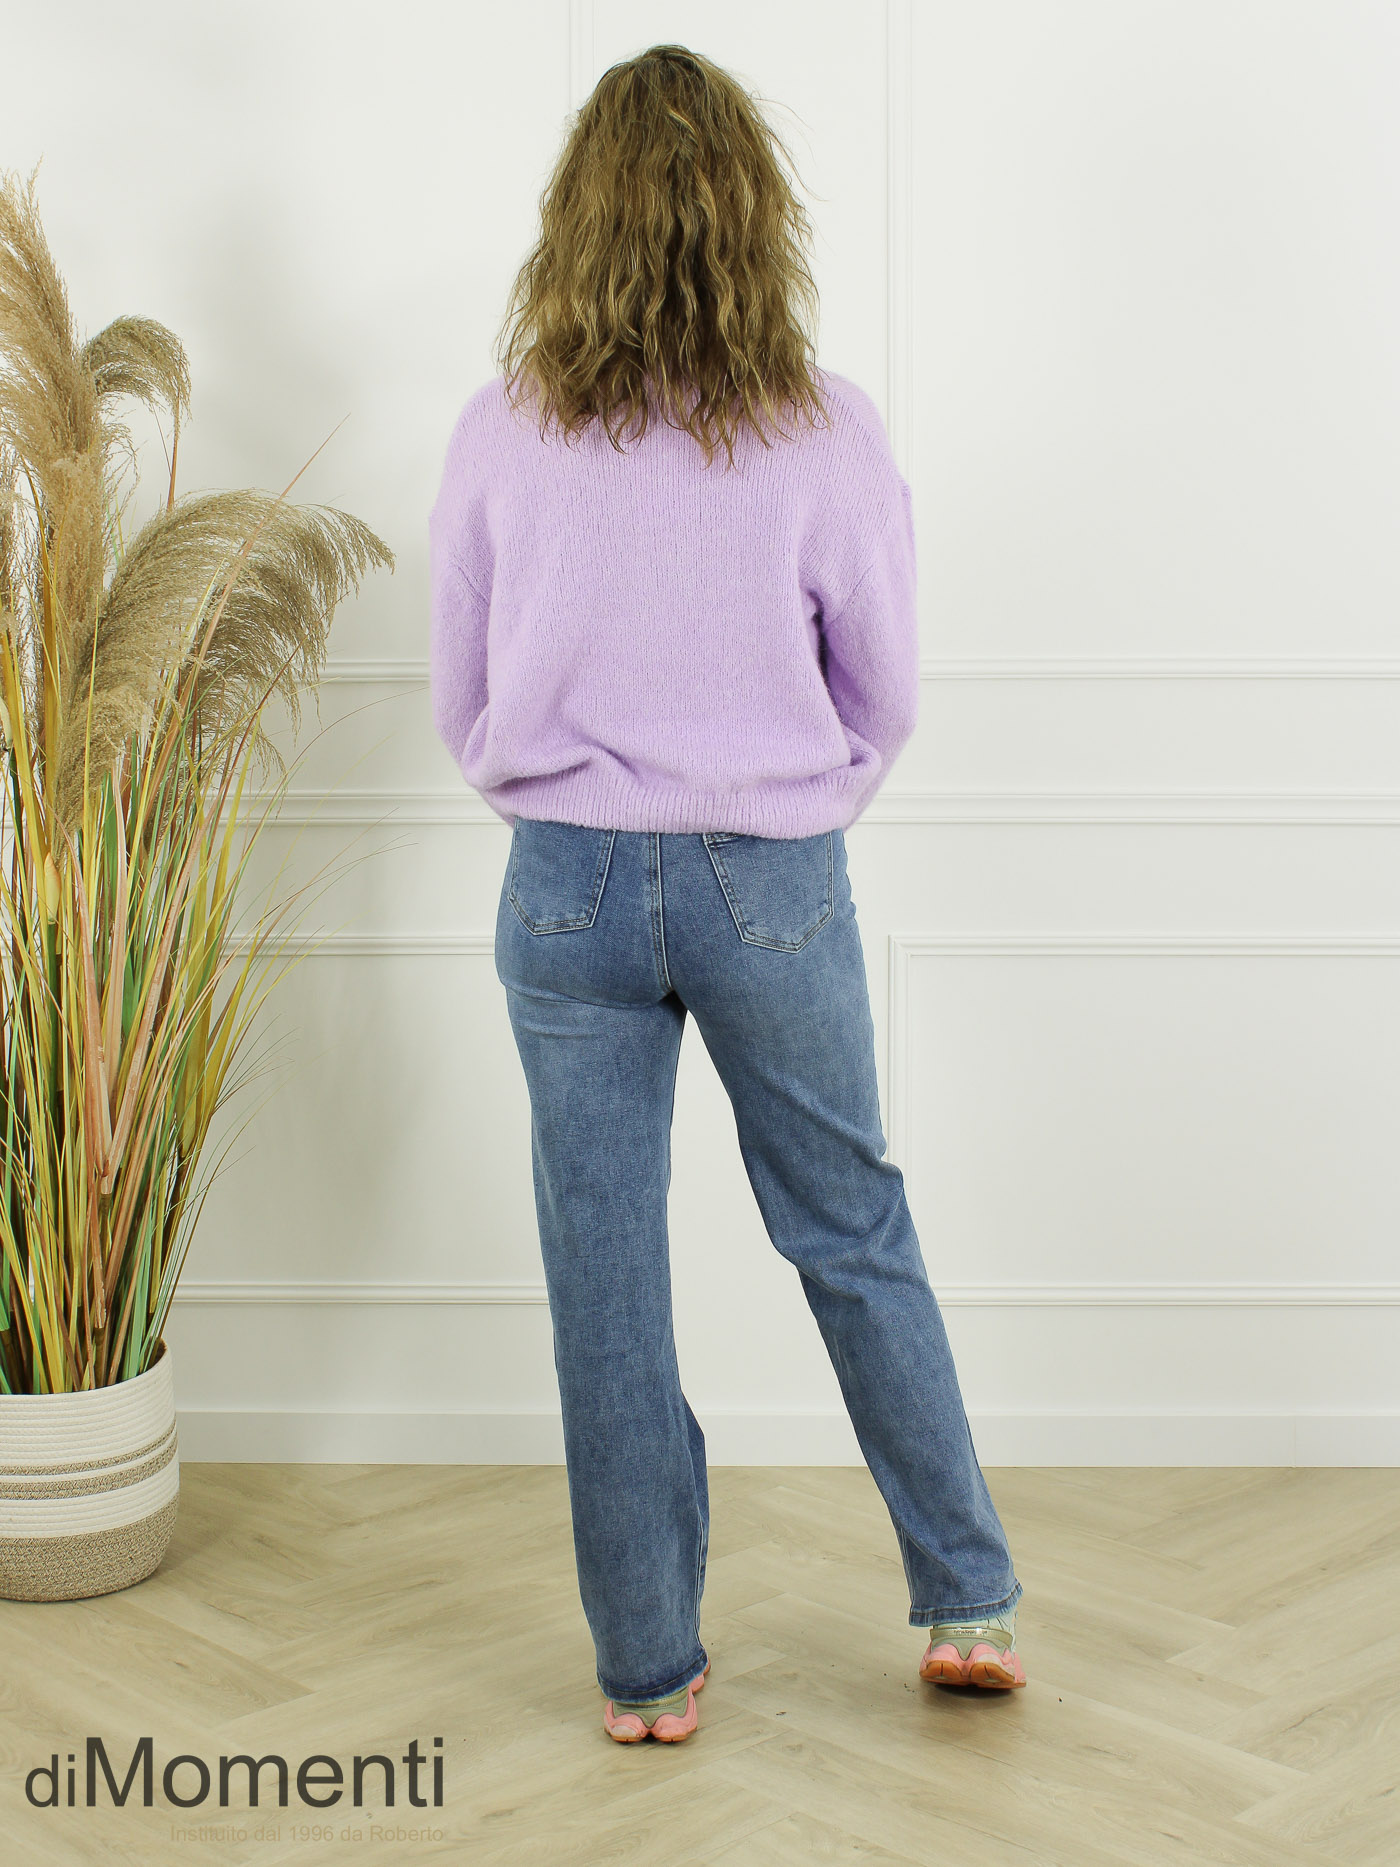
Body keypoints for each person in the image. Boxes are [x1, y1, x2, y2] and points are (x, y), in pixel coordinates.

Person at [428, 42, 1024, 1746]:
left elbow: (462, 695)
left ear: (578, 219)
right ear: (758, 217)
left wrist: (564, 794)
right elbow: (885, 693)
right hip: (771, 878)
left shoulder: (503, 426)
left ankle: (645, 1671)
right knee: (852, 1226)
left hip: (563, 886)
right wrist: (788, 801)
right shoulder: (826, 432)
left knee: (603, 1274)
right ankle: (966, 1598)